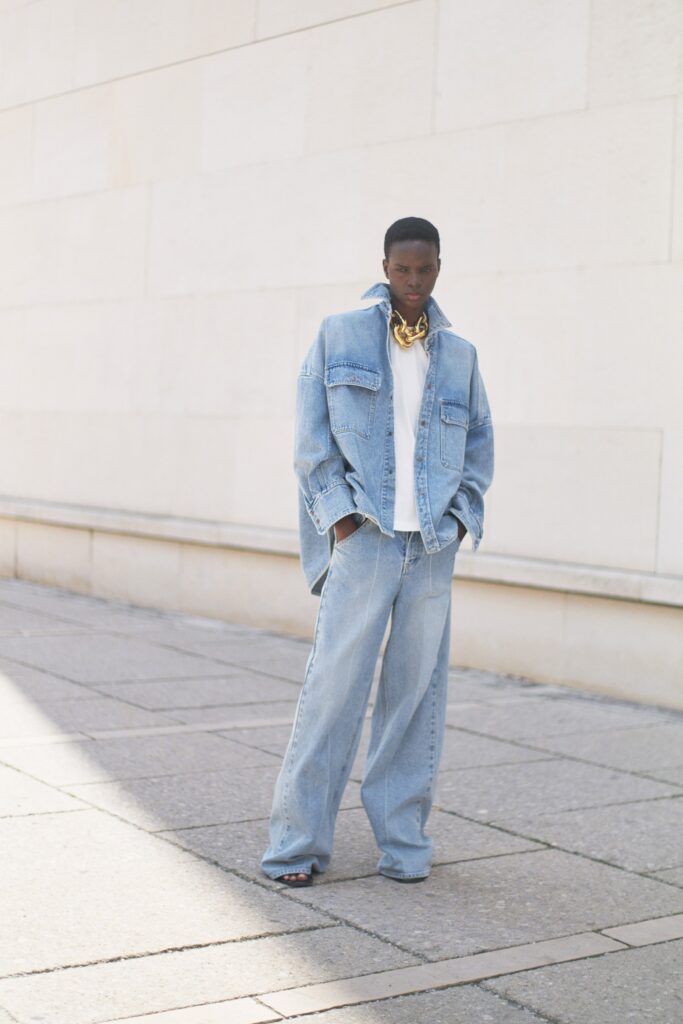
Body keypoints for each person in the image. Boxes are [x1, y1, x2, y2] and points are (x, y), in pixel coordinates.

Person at [260, 217, 494, 886]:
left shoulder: (459, 355)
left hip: (429, 549)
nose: (413, 282)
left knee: (415, 701)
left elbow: (478, 448)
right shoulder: (339, 335)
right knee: (331, 692)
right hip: (365, 541)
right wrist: (340, 522)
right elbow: (311, 444)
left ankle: (403, 844)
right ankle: (296, 847)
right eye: (402, 270)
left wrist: (457, 518)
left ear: (438, 268)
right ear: (384, 267)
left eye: (424, 270)